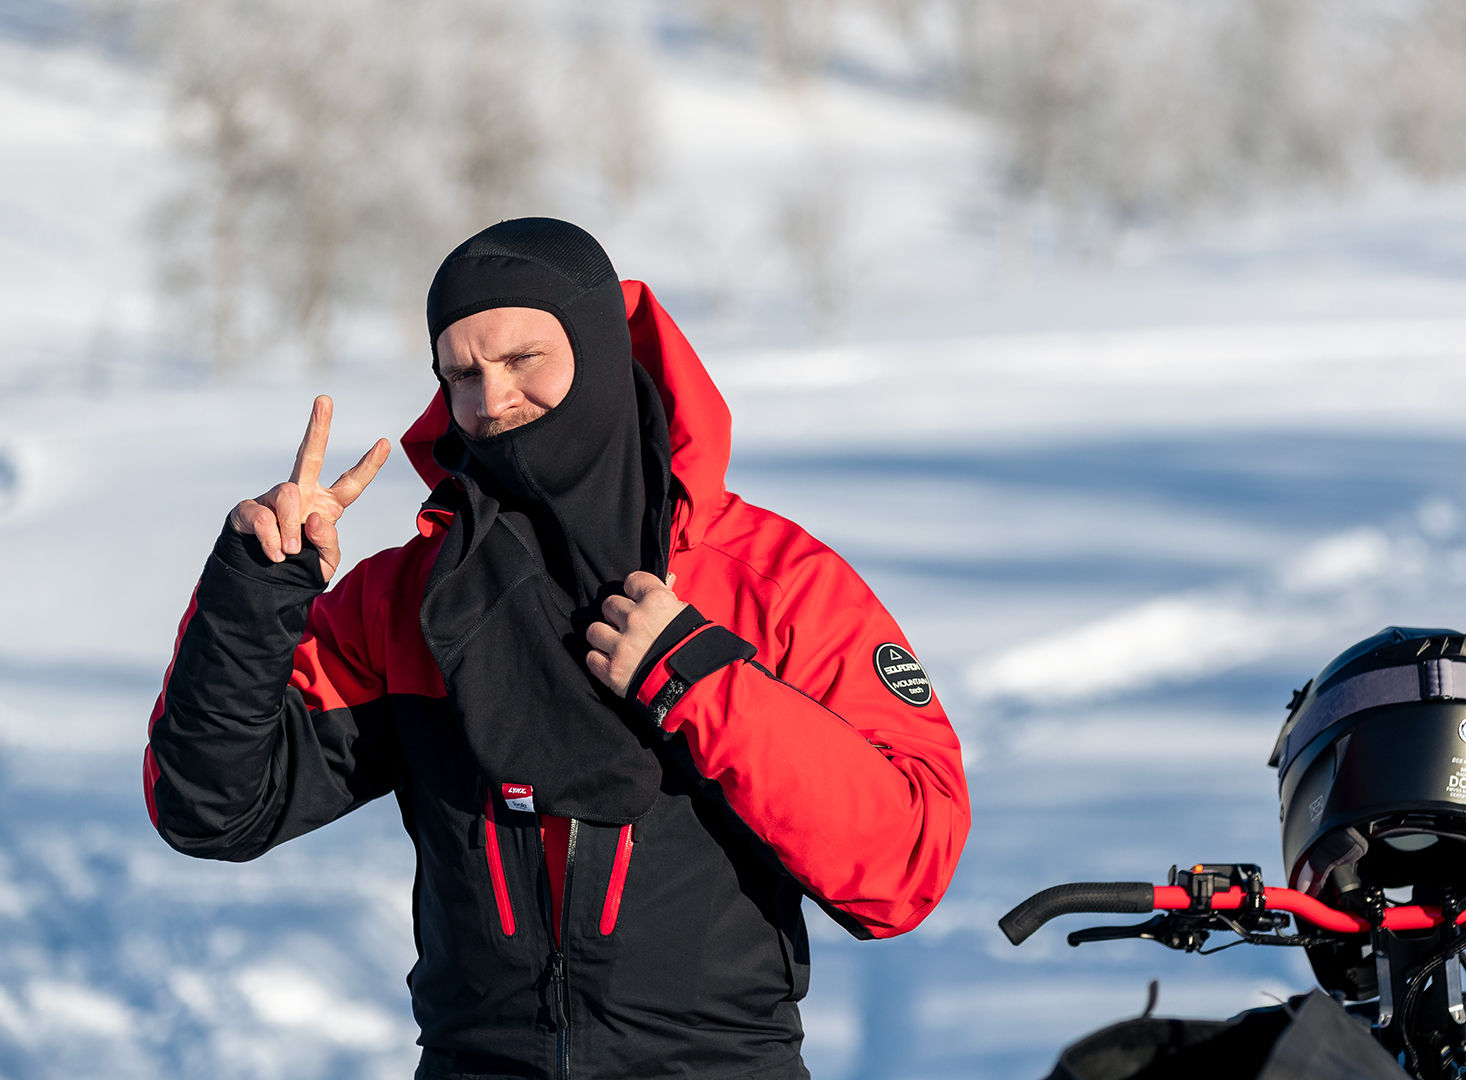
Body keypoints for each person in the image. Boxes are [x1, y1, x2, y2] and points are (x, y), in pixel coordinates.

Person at [142, 217, 970, 1079]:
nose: (491, 401)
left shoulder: (771, 584)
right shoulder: (409, 600)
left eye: (522, 359)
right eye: (461, 374)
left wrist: (701, 680)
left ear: (600, 350)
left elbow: (906, 864)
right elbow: (212, 809)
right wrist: (255, 593)